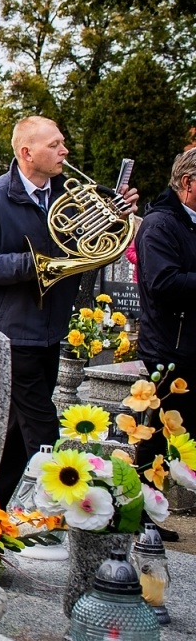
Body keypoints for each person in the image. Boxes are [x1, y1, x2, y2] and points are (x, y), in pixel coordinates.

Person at [0, 116, 139, 505]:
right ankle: (80, 515)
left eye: (63, 142)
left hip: (49, 329)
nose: (64, 150)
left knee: (16, 438)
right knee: (44, 432)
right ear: (26, 152)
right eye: (55, 144)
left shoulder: (71, 192)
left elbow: (87, 246)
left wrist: (116, 215)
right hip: (10, 334)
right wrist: (28, 265)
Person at [132, 148, 196, 465]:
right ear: (188, 183)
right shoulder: (160, 225)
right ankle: (140, 508)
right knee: (160, 436)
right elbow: (164, 283)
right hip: (172, 349)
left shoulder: (189, 222)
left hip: (189, 345)